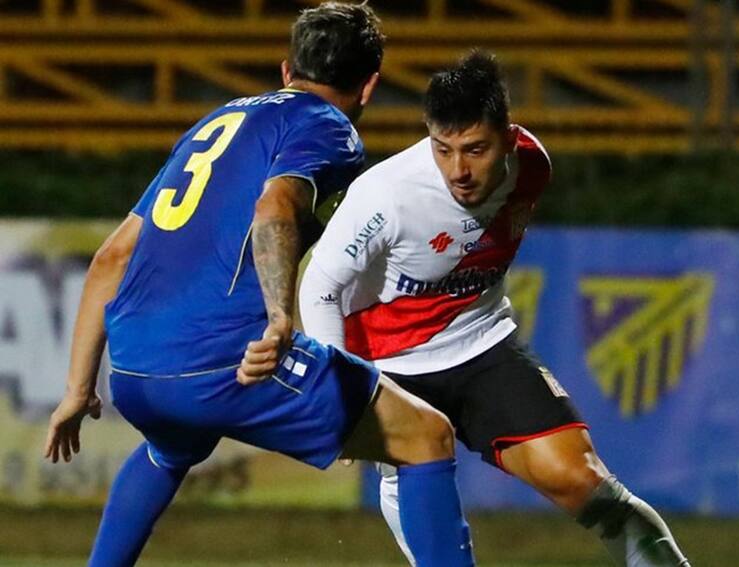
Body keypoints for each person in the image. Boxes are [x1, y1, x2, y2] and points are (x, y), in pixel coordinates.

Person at [43, 4, 475, 566]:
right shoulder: (327, 126)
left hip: (133, 371)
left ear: (285, 69)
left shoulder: (215, 123)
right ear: (369, 86)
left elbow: (111, 256)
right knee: (427, 437)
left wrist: (78, 391)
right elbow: (276, 205)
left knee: (172, 447)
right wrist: (279, 318)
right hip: (228, 359)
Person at [298, 50, 692, 567]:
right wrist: (341, 393)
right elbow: (320, 287)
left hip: (482, 344)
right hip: (392, 367)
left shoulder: (532, 166)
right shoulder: (386, 196)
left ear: (508, 138)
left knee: (583, 483)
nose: (458, 171)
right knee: (434, 530)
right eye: (443, 149)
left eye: (475, 149)